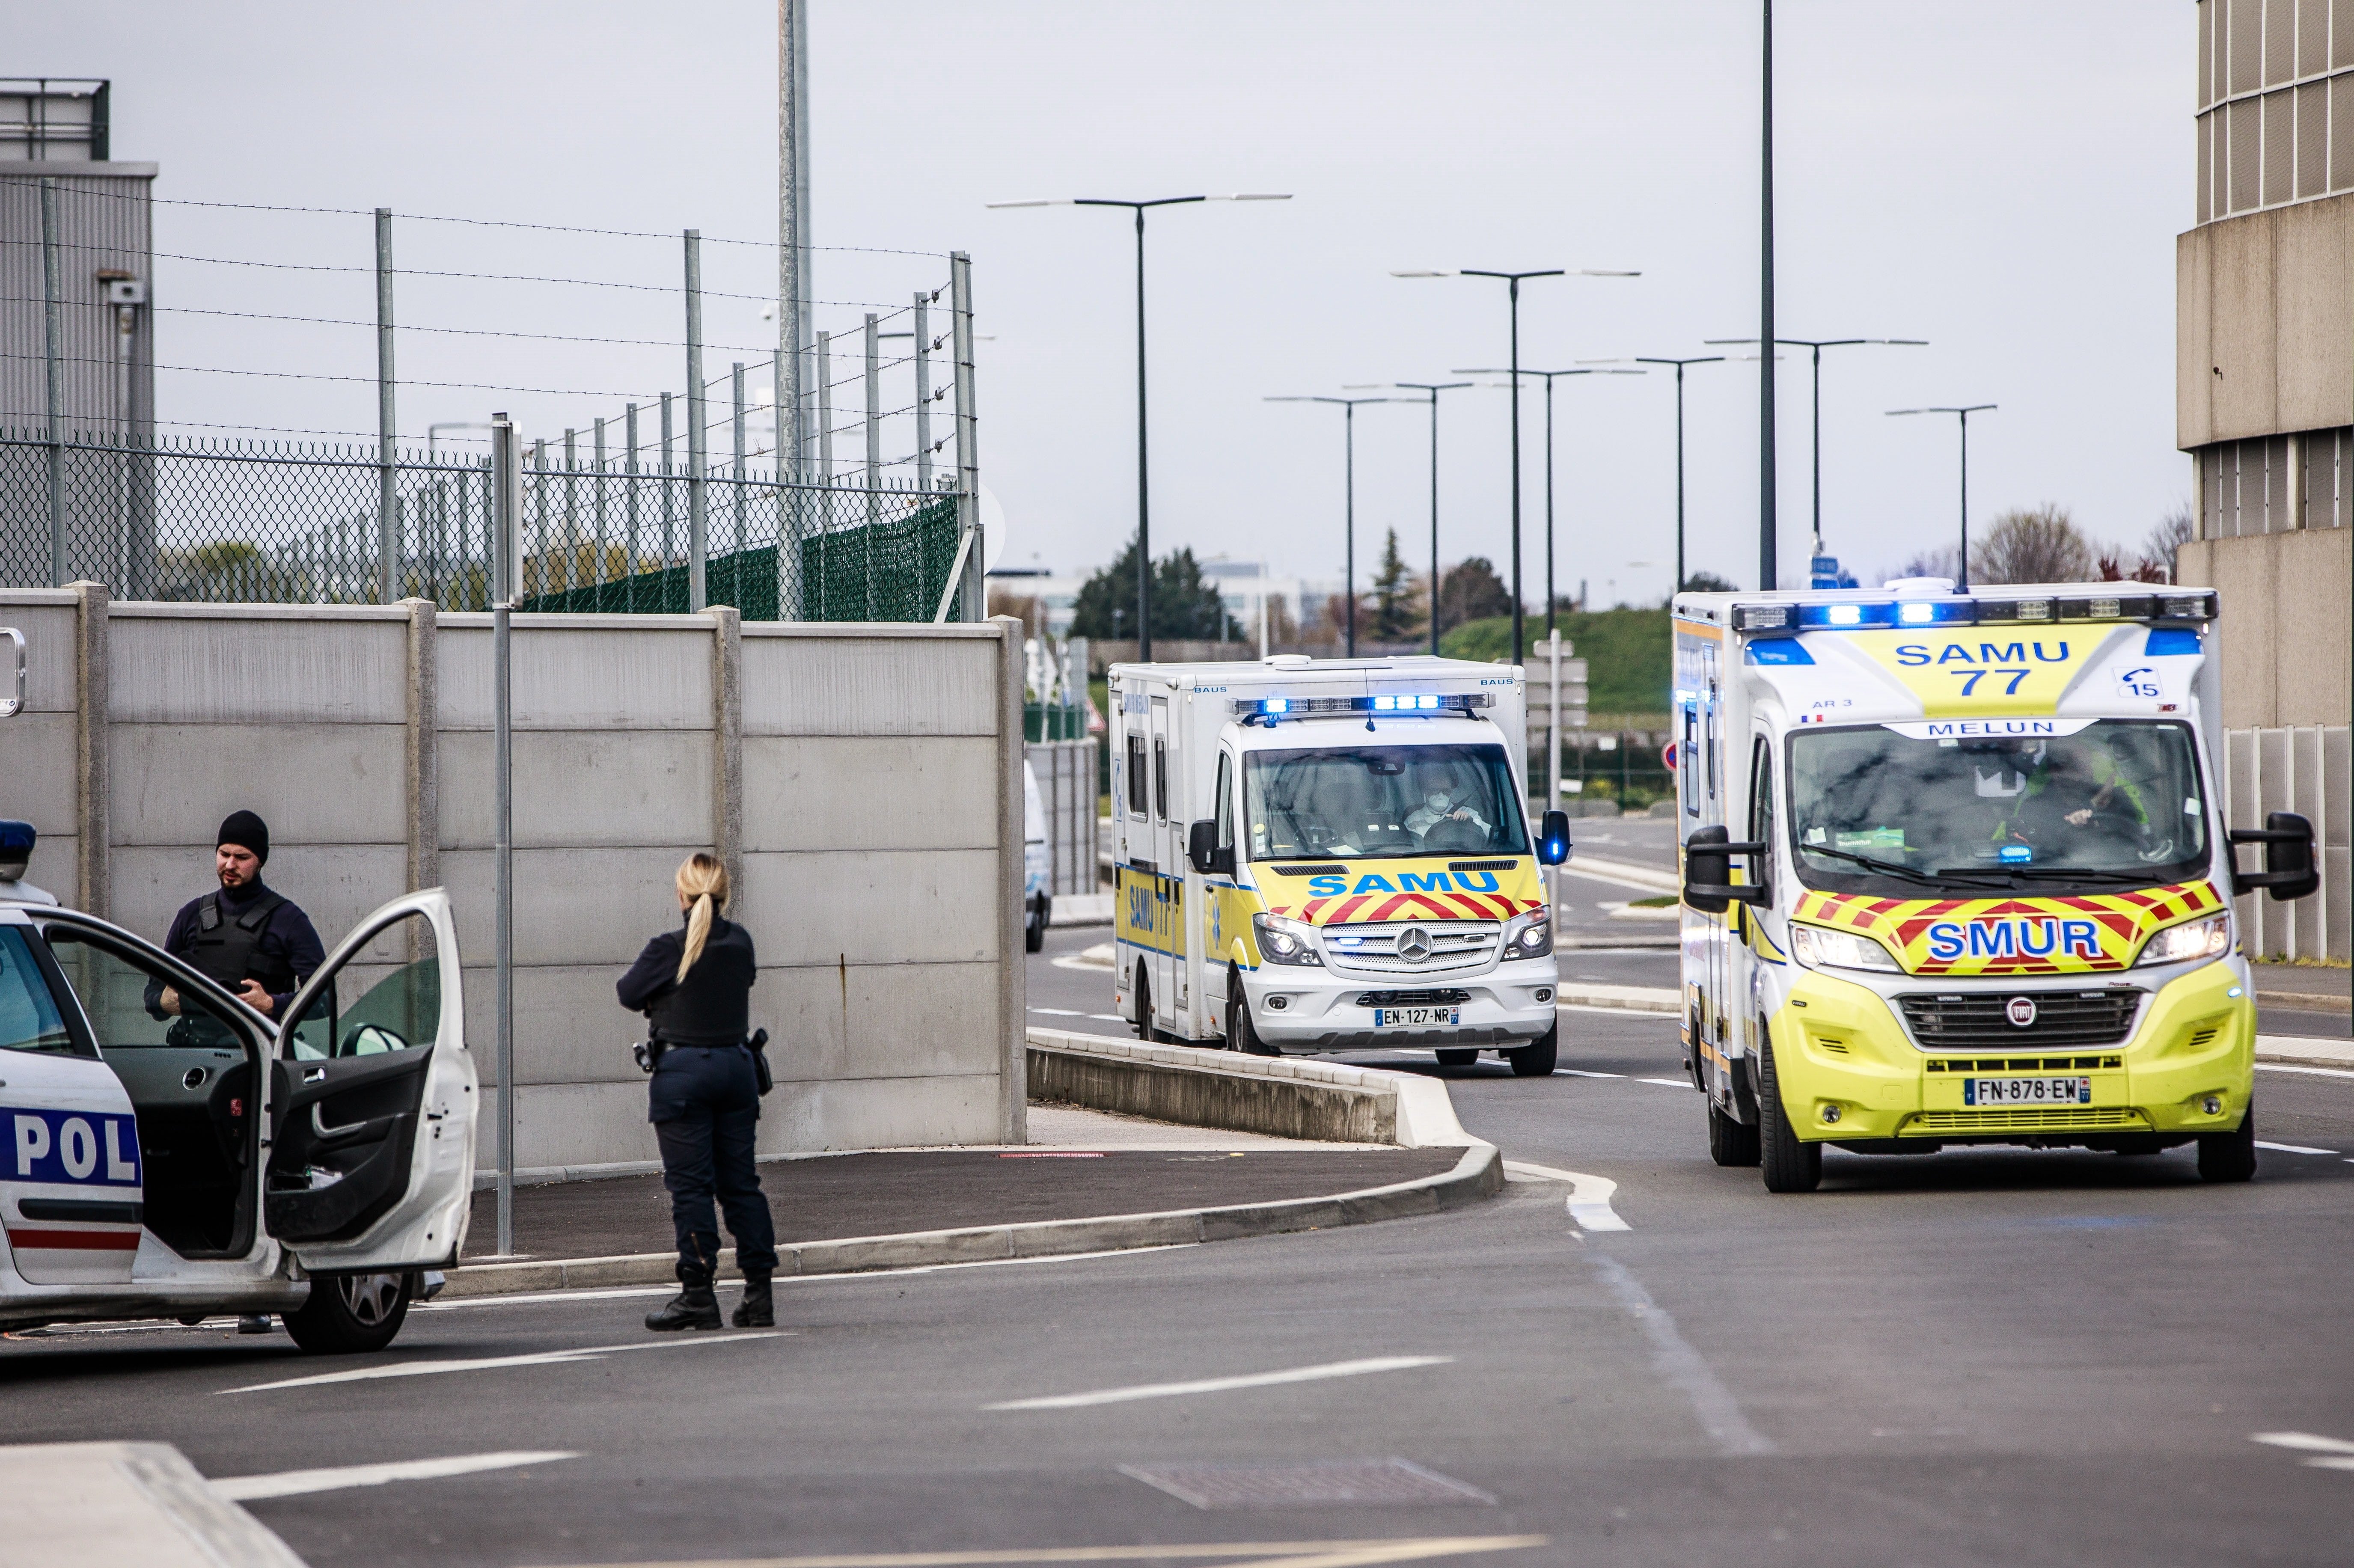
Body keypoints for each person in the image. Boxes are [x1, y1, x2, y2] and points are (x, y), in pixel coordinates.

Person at [148, 810, 326, 1335]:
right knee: (185, 1166)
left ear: (260, 860)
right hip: (190, 1066)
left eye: (241, 857)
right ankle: (192, 1275)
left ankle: (255, 1293)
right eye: (224, 854)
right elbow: (151, 994)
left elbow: (321, 995)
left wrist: (273, 1001)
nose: (230, 865)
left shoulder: (287, 919)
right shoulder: (191, 916)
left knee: (250, 1170)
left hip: (254, 1065)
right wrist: (174, 1001)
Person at [617, 853, 778, 1332]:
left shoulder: (669, 948)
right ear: (723, 894)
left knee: (691, 1188)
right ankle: (759, 1296)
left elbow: (628, 992)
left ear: (681, 895)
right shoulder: (741, 942)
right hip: (736, 1069)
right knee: (741, 1184)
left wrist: (660, 999)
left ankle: (698, 1295)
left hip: (684, 1073)